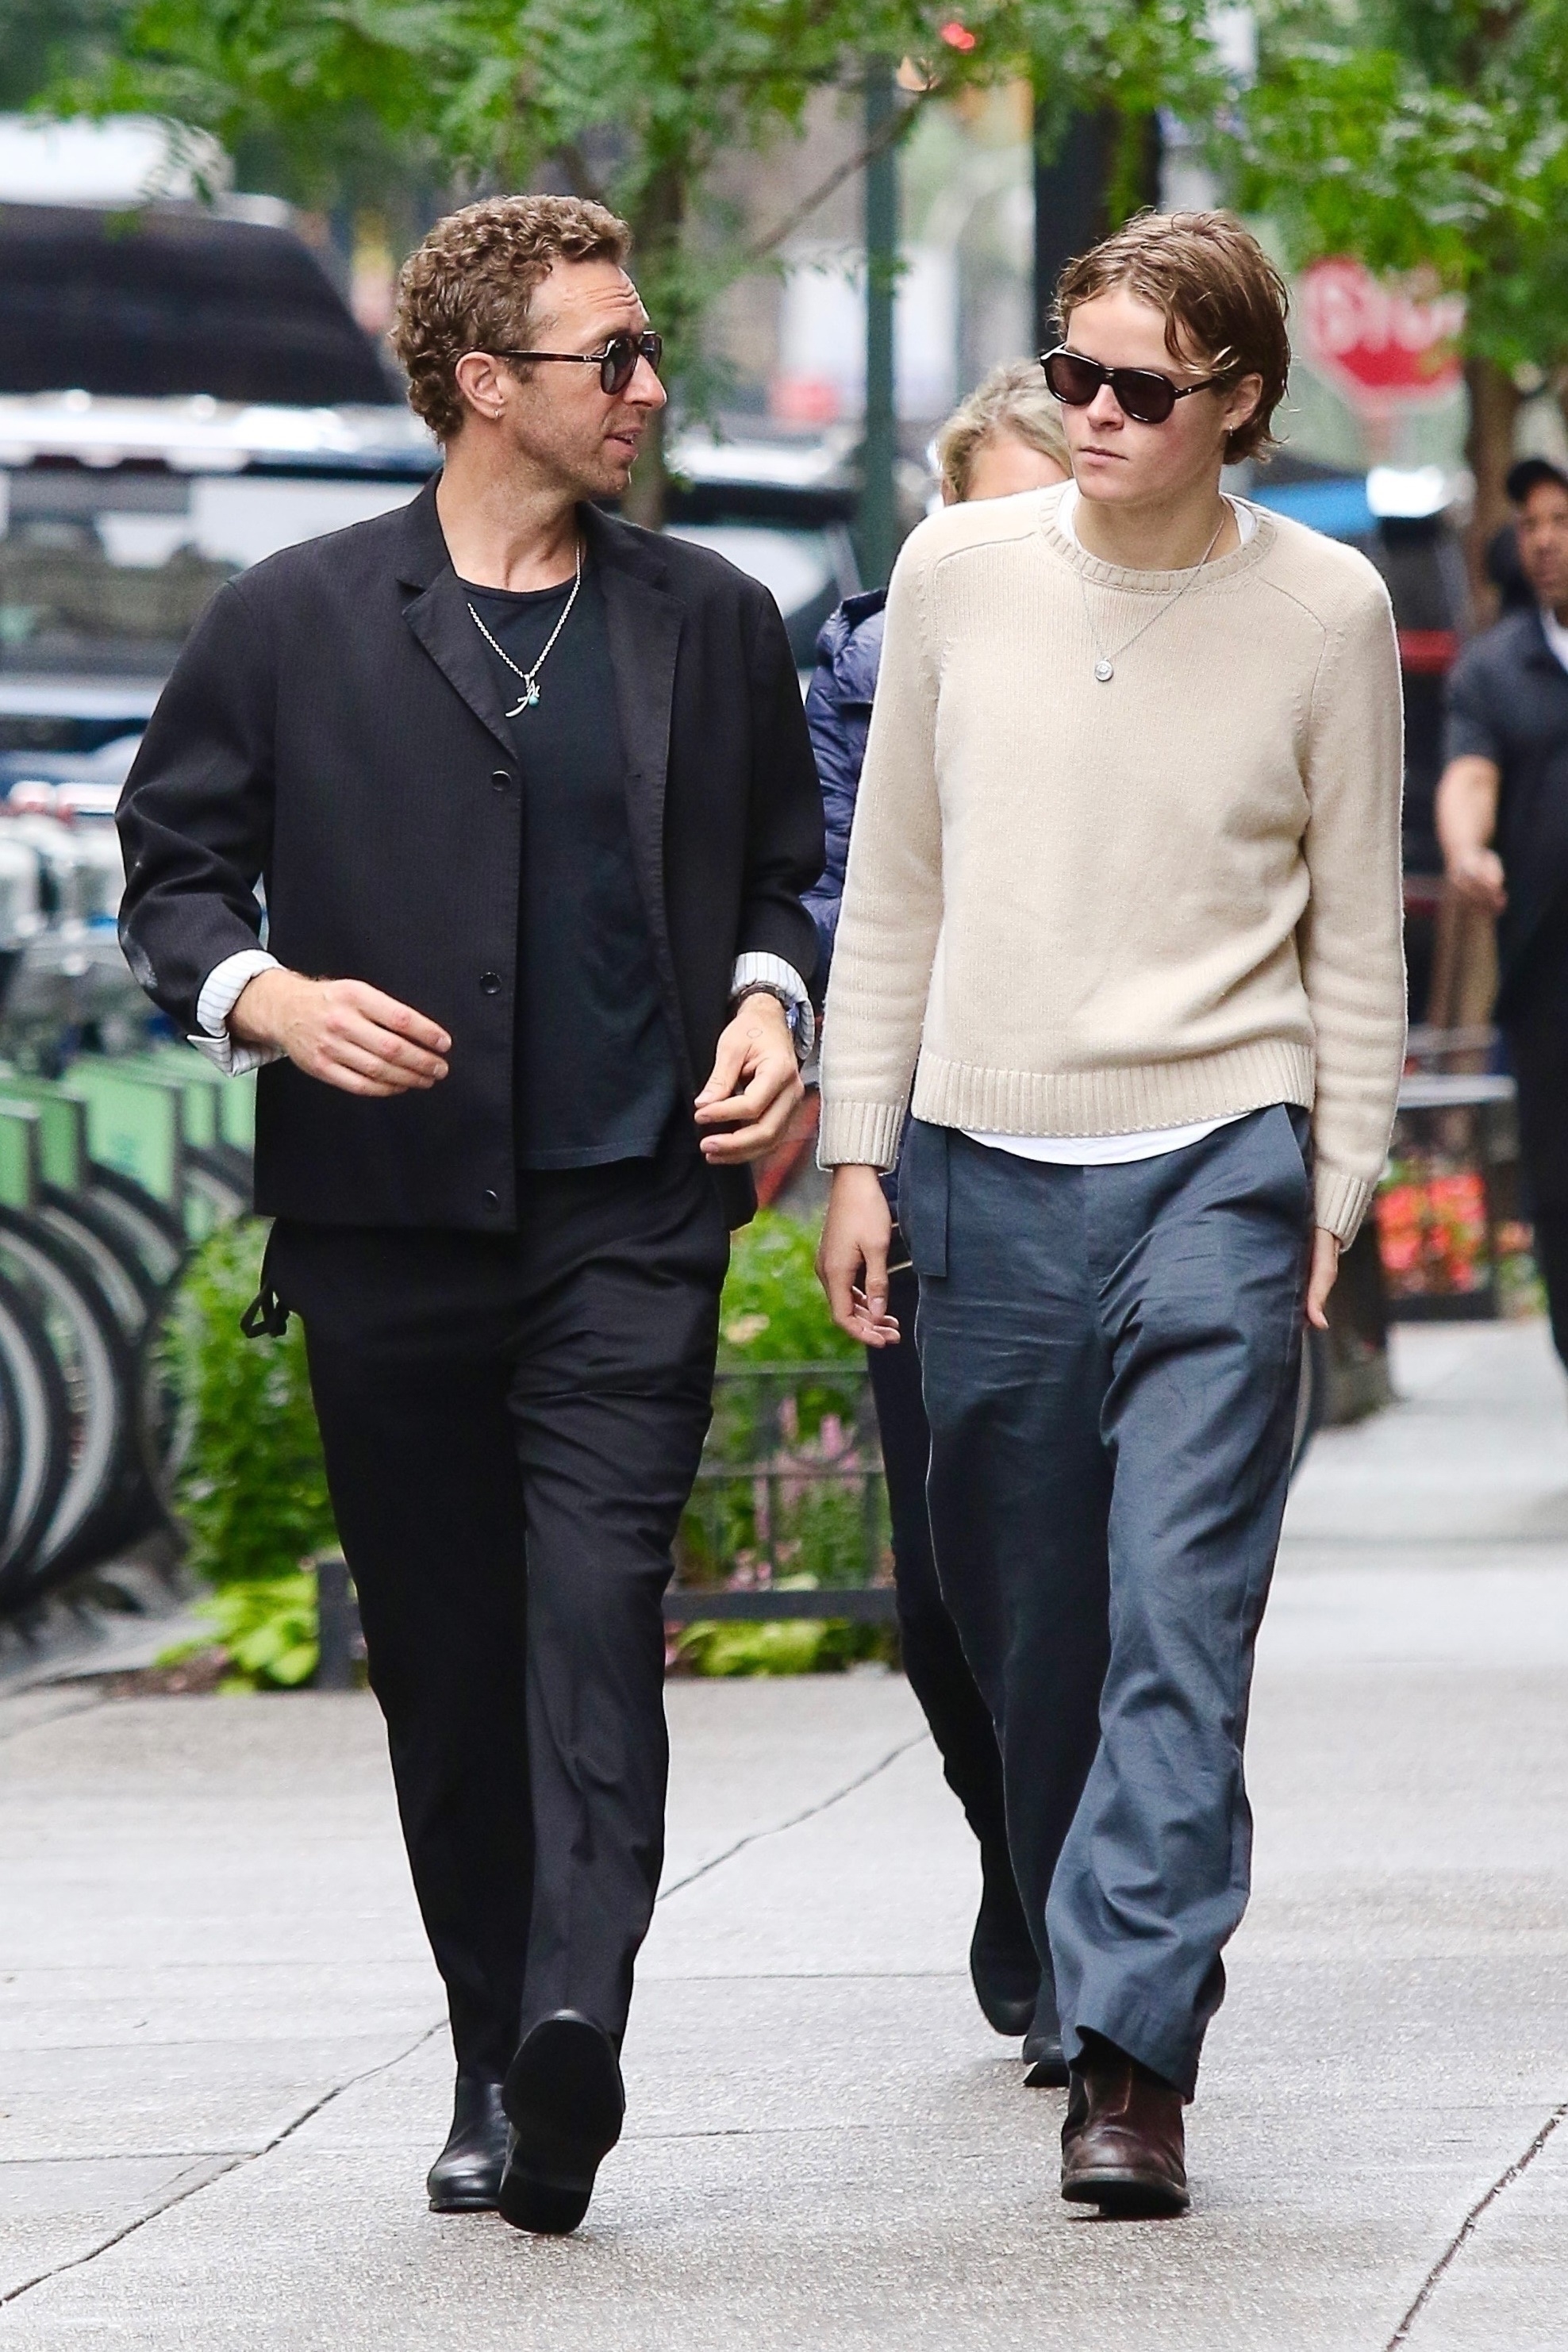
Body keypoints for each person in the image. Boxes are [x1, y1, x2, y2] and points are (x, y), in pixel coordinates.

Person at [116, 194, 822, 2237]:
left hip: (627, 1223)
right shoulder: (288, 620)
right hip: (386, 1237)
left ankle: (574, 2022)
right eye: (611, 356)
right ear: (482, 382)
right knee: (442, 1662)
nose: (649, 387)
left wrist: (770, 1000)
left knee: (595, 1619)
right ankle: (487, 2040)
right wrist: (267, 997)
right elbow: (171, 877)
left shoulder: (712, 617)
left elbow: (786, 865)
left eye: (648, 346)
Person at [816, 209, 1405, 2216]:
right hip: (983, 1153)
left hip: (1221, 1158)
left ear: (1237, 399)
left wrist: (1336, 1181)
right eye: (1072, 371)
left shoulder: (1323, 610)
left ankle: (1132, 2056)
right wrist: (858, 1152)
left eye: (1141, 387)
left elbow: (1354, 929)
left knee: (1178, 1610)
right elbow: (889, 887)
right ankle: (1101, 1961)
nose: (1093, 413)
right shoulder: (955, 576)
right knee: (1031, 1630)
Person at [805, 359, 1070, 2075]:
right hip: (927, 1153)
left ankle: (1083, 1913)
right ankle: (1009, 1841)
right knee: (941, 1586)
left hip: (1140, 1150)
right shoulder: (855, 678)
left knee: (1117, 1576)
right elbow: (847, 896)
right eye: (973, 529)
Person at [1439, 456, 1568, 1370]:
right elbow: (1467, 777)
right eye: (1530, 524)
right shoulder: (1495, 668)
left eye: (1560, 520)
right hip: (1546, 983)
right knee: (1557, 1194)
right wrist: (1464, 852)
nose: (1545, 540)